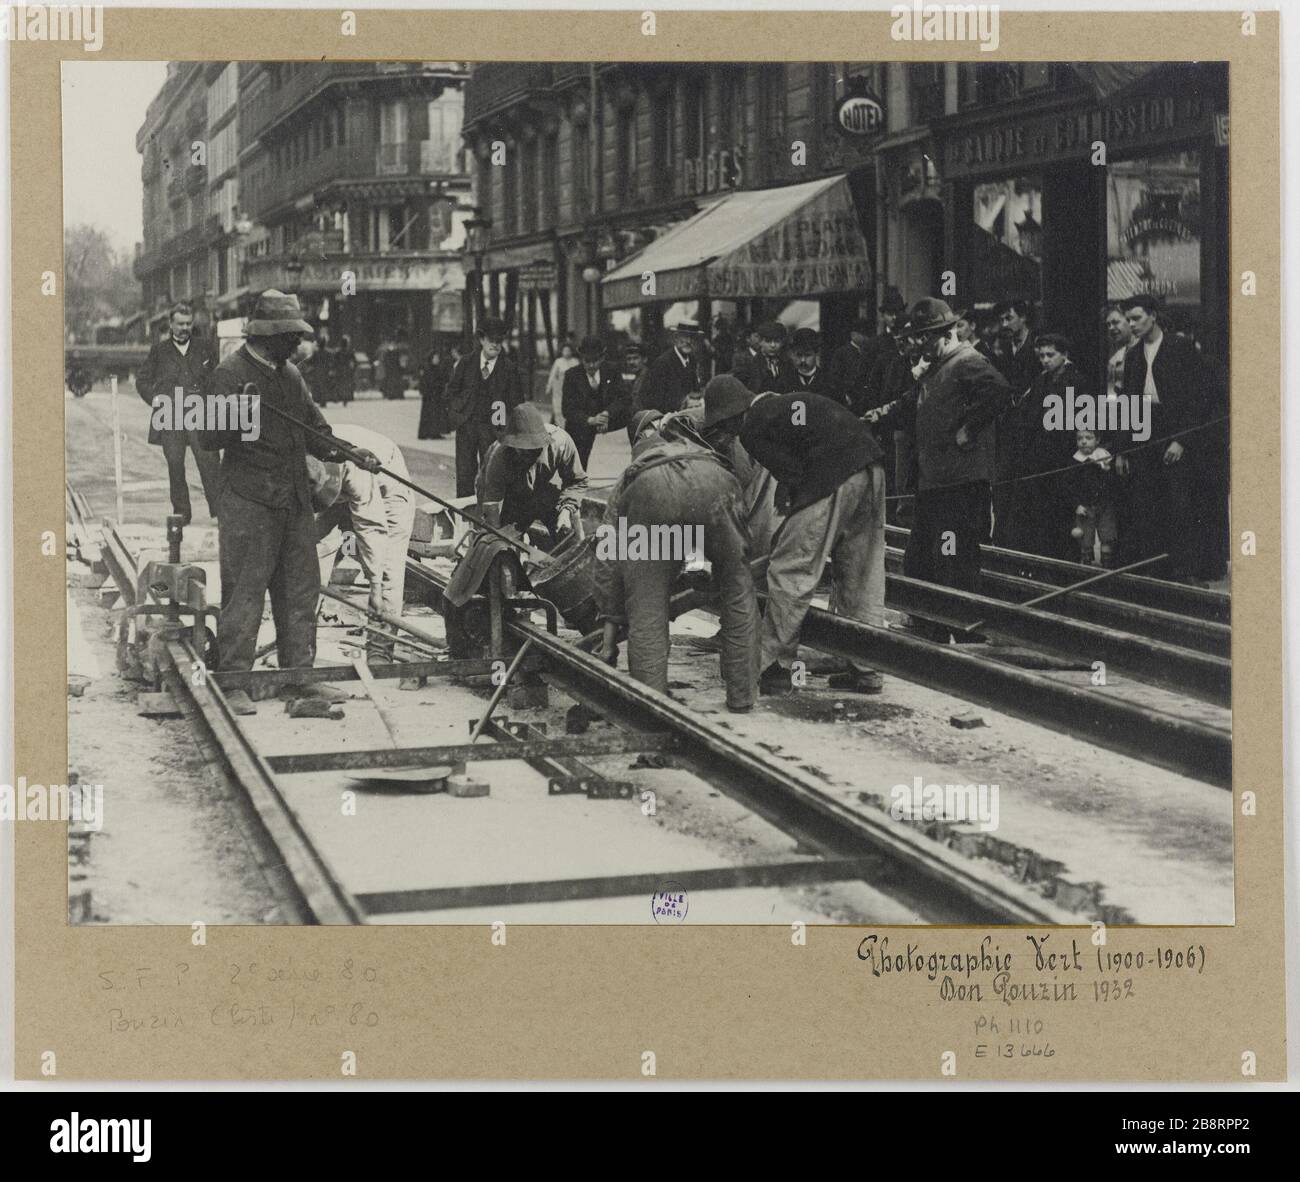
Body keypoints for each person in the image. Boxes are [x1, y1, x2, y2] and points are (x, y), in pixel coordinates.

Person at [196, 290, 381, 715]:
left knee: (300, 591)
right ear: (270, 334)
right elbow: (206, 440)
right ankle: (234, 681)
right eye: (292, 336)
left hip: (294, 500)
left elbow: (316, 430)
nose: (298, 344)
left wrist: (350, 452)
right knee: (245, 593)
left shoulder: (290, 375)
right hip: (249, 501)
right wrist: (237, 414)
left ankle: (300, 679)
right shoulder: (228, 375)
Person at [594, 410, 757, 712]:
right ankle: (742, 696)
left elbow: (608, 558)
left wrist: (608, 632)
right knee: (738, 590)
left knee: (646, 604)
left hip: (653, 493)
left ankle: (651, 707)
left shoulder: (633, 472)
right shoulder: (699, 445)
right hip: (717, 483)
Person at [741, 389, 888, 696]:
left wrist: (792, 529)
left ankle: (776, 668)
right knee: (862, 571)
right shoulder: (796, 406)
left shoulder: (751, 425)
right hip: (872, 467)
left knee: (791, 566)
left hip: (833, 475)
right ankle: (867, 668)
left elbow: (795, 474)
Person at [872, 299, 1009, 615]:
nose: (920, 343)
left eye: (926, 337)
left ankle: (957, 629)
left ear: (947, 333)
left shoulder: (966, 362)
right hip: (935, 481)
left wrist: (969, 428)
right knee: (921, 559)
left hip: (959, 485)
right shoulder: (936, 367)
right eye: (917, 336)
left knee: (952, 557)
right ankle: (929, 624)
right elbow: (910, 402)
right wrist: (878, 415)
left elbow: (999, 390)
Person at [1116, 295, 1216, 580]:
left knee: (1180, 504)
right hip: (1144, 432)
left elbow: (1199, 397)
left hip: (1175, 431)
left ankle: (1184, 573)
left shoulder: (1179, 346)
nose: (1131, 324)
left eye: (1136, 318)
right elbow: (1128, 404)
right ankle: (1155, 574)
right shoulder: (1133, 355)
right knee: (1147, 504)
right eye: (1129, 319)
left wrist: (1182, 440)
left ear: (1153, 316)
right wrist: (1122, 450)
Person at [312, 425, 415, 660]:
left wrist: (375, 586)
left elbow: (371, 528)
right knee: (311, 557)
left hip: (385, 484)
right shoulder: (297, 457)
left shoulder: (355, 472)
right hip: (328, 485)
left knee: (387, 567)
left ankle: (380, 649)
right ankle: (301, 647)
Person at [993, 332, 1083, 557]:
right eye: (1041, 355)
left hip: (1060, 456)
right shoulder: (1042, 379)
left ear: (1064, 355)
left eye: (1050, 355)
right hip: (1038, 456)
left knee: (1057, 514)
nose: (1044, 360)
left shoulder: (1074, 381)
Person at [136, 301, 221, 525]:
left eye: (188, 324)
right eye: (180, 324)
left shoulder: (205, 347)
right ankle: (182, 512)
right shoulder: (159, 351)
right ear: (171, 325)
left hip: (200, 414)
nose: (185, 328)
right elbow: (142, 380)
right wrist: (155, 400)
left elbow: (218, 378)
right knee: (175, 463)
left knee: (209, 462)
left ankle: (219, 512)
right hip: (170, 415)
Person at [477, 402, 588, 548]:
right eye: (522, 449)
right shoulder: (499, 456)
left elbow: (577, 481)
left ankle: (576, 552)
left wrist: (566, 510)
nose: (528, 454)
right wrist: (498, 538)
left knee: (570, 529)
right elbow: (491, 502)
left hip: (543, 491)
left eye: (533, 448)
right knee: (496, 542)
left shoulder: (561, 443)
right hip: (512, 496)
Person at [446, 317, 527, 497]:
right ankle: (465, 515)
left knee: (492, 473)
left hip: (493, 429)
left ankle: (489, 517)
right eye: (492, 340)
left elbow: (517, 403)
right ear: (482, 339)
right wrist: (457, 415)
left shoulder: (509, 368)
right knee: (465, 473)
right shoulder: (466, 363)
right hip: (467, 426)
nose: (495, 345)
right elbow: (451, 391)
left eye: (499, 341)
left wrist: (509, 429)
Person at [561, 336, 630, 468]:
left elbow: (624, 398)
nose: (591, 365)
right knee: (577, 462)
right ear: (581, 359)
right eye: (587, 361)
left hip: (609, 421)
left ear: (602, 358)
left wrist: (606, 415)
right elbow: (567, 409)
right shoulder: (572, 375)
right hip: (583, 424)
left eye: (595, 360)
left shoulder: (612, 371)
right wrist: (591, 420)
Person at [1067, 428, 1119, 567]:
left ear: (1097, 440)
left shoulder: (1104, 457)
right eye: (1079, 438)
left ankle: (1107, 565)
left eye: (1088, 438)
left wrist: (1107, 470)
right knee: (1085, 538)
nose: (1083, 441)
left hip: (1105, 506)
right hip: (1085, 507)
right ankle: (1086, 564)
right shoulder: (1075, 461)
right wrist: (1076, 505)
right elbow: (1070, 487)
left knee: (1107, 536)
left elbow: (1113, 483)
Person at [639, 320, 706, 412]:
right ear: (676, 338)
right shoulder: (662, 363)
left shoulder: (692, 360)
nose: (688, 341)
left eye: (692, 337)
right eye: (684, 336)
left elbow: (695, 390)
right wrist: (683, 403)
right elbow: (650, 400)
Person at [826, 318, 875, 410]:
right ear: (853, 335)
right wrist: (844, 395)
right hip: (847, 400)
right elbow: (834, 378)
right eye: (862, 334)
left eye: (867, 335)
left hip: (865, 401)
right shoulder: (842, 353)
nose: (866, 338)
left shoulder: (870, 353)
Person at [545, 341, 580, 428]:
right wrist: (549, 386)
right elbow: (553, 375)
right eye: (565, 351)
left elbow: (580, 375)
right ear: (562, 352)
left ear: (572, 351)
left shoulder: (575, 362)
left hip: (572, 388)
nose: (567, 353)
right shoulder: (558, 362)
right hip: (560, 388)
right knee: (558, 407)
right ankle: (560, 425)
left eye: (568, 351)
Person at [787, 327, 830, 394]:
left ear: (817, 353)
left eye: (808, 355)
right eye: (799, 355)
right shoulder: (785, 380)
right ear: (792, 354)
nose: (803, 360)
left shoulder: (829, 381)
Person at [729, 322, 764, 391]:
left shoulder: (765, 355)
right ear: (748, 339)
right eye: (756, 336)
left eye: (762, 337)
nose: (760, 340)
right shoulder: (740, 357)